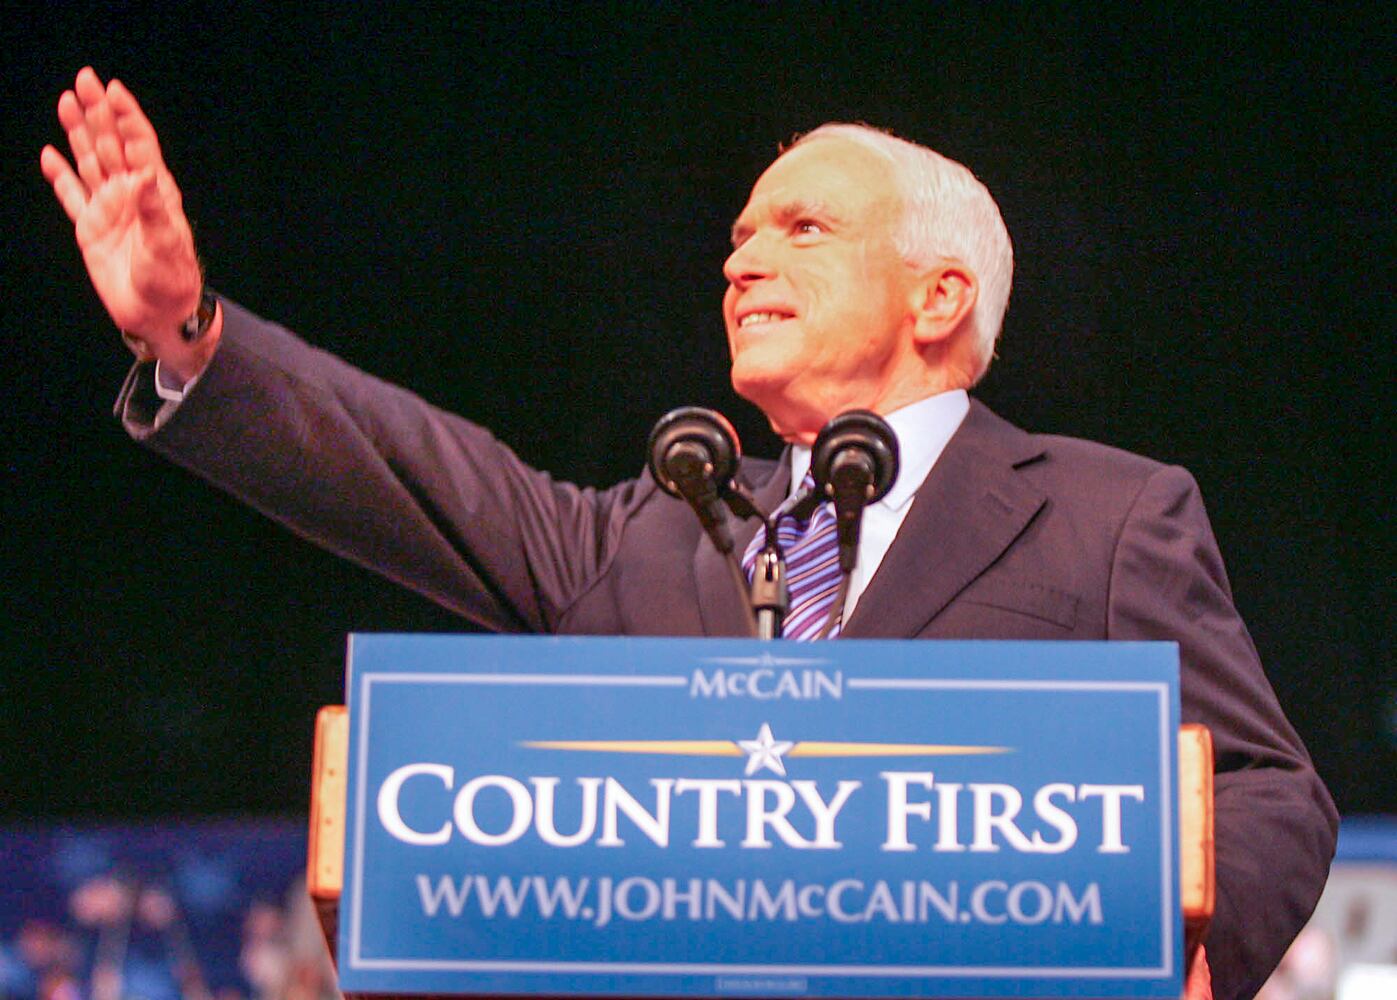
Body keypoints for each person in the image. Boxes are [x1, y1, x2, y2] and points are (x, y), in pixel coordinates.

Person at [42, 67, 1335, 999]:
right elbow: (418, 476)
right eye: (738, 236)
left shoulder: (1107, 515)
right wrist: (188, 331)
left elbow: (1268, 791)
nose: (740, 262)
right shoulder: (667, 529)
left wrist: (1186, 964)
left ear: (940, 296)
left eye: (801, 229)